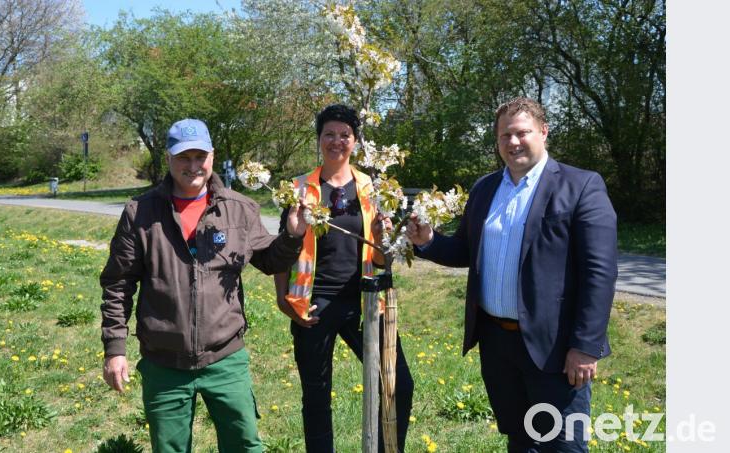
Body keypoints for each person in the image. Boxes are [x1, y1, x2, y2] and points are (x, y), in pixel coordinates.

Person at [406, 97, 618, 452]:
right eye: (505, 135)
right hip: (498, 345)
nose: (513, 142)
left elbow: (600, 272)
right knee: (519, 442)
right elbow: (466, 251)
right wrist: (428, 241)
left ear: (543, 132)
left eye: (522, 132)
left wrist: (585, 347)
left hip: (554, 347)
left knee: (562, 446)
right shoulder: (484, 188)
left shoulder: (581, 186)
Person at [100, 118, 307, 453]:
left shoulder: (239, 209)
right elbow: (118, 284)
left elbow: (270, 261)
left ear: (212, 156)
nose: (193, 165)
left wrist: (293, 236)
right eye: (184, 157)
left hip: (226, 359)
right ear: (168, 158)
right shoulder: (140, 213)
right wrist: (115, 349)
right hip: (163, 363)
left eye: (200, 156)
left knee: (245, 446)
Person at [273, 104, 414, 453]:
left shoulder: (372, 188)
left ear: (355, 141)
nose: (337, 141)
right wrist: (283, 300)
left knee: (398, 384)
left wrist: (381, 237)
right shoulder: (299, 189)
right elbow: (282, 248)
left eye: (345, 135)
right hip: (313, 304)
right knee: (317, 395)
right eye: (329, 134)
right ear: (319, 139)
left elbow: (381, 260)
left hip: (365, 302)